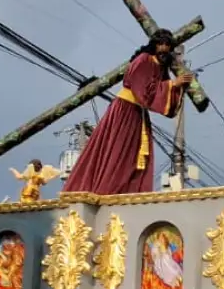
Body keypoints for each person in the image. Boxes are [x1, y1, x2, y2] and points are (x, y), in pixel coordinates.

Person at [62, 29, 194, 195]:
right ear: (154, 45)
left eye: (167, 45)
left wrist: (178, 86)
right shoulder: (143, 61)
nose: (164, 48)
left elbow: (165, 96)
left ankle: (126, 191)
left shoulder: (160, 66)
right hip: (125, 111)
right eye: (161, 44)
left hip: (138, 115)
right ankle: (106, 190)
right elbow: (144, 92)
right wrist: (173, 84)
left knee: (133, 158)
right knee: (117, 152)